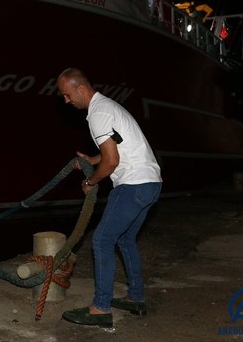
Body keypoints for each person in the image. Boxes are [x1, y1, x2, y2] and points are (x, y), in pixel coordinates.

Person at [56, 67, 162, 328]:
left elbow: (112, 161)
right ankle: (135, 298)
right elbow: (116, 150)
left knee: (102, 240)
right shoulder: (108, 106)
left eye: (67, 95)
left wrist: (91, 181)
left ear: (81, 88)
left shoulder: (98, 114)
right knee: (125, 239)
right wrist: (91, 160)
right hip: (150, 183)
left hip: (132, 184)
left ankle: (100, 308)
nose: (67, 101)